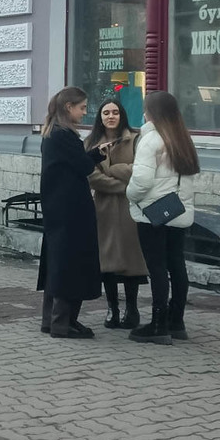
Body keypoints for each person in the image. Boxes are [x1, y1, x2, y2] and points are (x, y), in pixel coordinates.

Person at [126, 91, 199, 345]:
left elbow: (142, 180)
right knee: (176, 264)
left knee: (156, 266)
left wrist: (130, 194)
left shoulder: (151, 139)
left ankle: (158, 325)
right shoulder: (183, 138)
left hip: (153, 212)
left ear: (152, 113)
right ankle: (176, 321)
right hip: (178, 210)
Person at [37, 86, 109, 339]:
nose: (84, 112)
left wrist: (93, 154)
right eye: (81, 107)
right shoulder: (65, 135)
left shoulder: (52, 133)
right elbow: (82, 167)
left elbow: (71, 163)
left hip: (57, 206)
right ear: (69, 107)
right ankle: (63, 322)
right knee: (71, 263)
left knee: (58, 261)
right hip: (72, 208)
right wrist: (94, 157)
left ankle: (51, 320)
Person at [84, 99, 148, 329]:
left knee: (131, 259)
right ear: (100, 117)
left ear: (122, 115)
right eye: (106, 113)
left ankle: (132, 309)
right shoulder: (90, 142)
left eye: (115, 112)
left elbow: (139, 170)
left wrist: (112, 169)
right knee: (107, 260)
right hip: (103, 207)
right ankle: (112, 308)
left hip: (131, 207)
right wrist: (121, 184)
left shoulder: (136, 138)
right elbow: (91, 176)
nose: (111, 116)